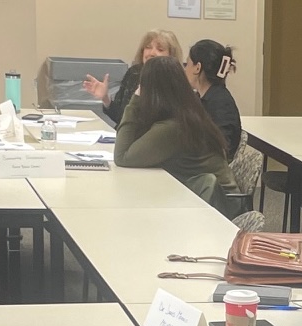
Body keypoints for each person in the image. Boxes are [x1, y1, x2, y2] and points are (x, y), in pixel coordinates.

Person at [113, 55, 241, 208]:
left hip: (221, 208)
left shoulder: (173, 128)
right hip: (210, 198)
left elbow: (122, 157)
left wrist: (135, 101)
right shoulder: (186, 113)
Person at [84, 29, 183, 127]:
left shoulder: (175, 82)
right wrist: (106, 98)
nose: (152, 53)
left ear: (171, 56)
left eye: (160, 49)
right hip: (124, 137)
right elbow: (121, 117)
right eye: (148, 47)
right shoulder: (134, 73)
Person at [185, 39, 242, 159]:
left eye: (187, 64)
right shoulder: (204, 97)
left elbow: (221, 149)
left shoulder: (221, 103)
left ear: (197, 68)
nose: (185, 70)